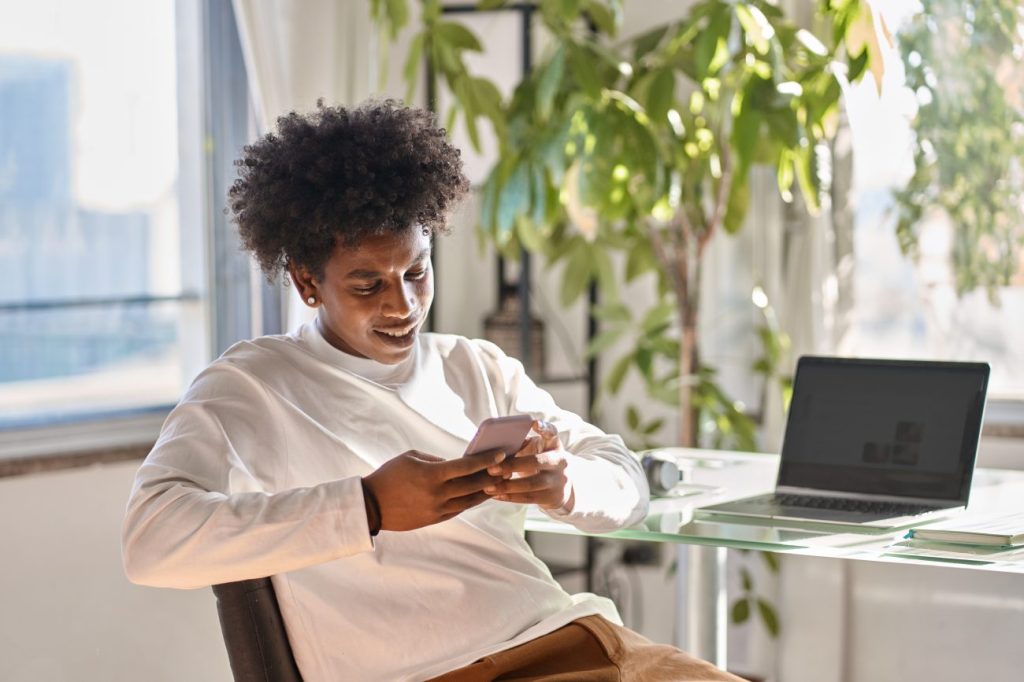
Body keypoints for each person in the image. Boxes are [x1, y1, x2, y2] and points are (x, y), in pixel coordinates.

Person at [121, 100, 741, 682]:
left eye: (417, 272)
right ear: (308, 284)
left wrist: (565, 483)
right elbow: (150, 540)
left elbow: (627, 481)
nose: (404, 304)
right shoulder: (253, 386)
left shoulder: (476, 367)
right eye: (368, 285)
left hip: (577, 639)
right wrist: (365, 506)